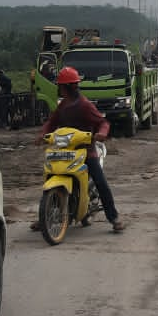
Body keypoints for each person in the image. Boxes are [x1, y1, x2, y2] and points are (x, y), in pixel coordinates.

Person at [34, 66, 125, 233]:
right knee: (51, 176)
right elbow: (51, 122)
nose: (60, 89)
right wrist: (42, 134)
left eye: (62, 86)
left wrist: (101, 133)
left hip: (86, 152)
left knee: (100, 182)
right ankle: (45, 215)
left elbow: (103, 122)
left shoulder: (84, 105)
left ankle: (114, 218)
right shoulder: (63, 106)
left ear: (68, 87)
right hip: (64, 151)